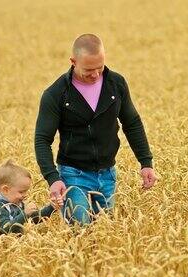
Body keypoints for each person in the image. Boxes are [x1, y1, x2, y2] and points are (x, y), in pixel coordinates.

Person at [34, 34, 157, 226]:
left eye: (100, 67)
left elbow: (132, 123)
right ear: (73, 62)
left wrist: (146, 162)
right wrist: (53, 178)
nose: (96, 74)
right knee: (80, 232)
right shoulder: (56, 94)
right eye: (89, 70)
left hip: (107, 175)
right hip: (73, 176)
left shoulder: (116, 84)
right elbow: (42, 139)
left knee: (105, 235)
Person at [0, 160, 56, 237]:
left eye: (26, 191)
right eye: (21, 192)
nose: (25, 195)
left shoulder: (18, 204)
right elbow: (5, 229)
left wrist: (52, 207)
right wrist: (24, 214)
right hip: (2, 247)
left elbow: (34, 219)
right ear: (6, 189)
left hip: (18, 246)